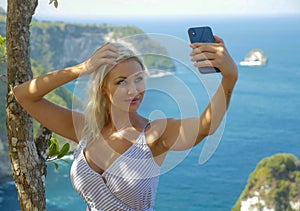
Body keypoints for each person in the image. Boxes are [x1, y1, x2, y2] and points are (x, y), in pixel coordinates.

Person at [13, 35, 238, 211]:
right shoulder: (86, 129)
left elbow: (205, 126)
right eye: (121, 82)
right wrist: (82, 68)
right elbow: (24, 95)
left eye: (139, 79)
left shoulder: (155, 135)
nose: (134, 90)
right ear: (104, 88)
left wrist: (230, 78)